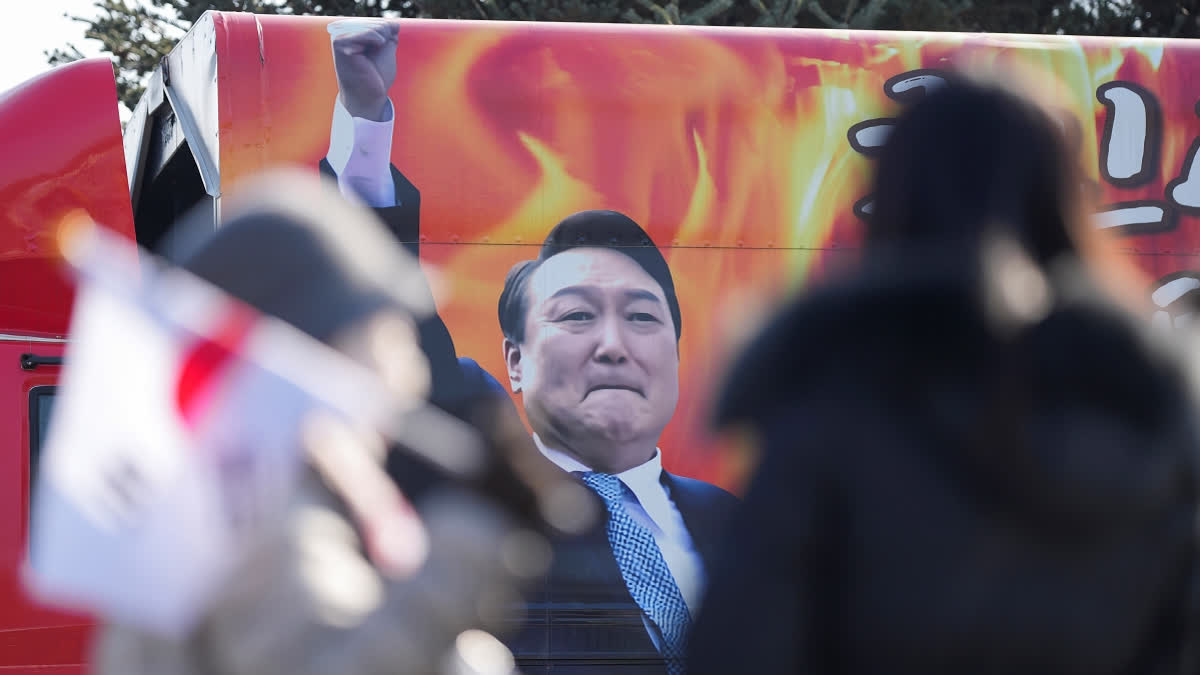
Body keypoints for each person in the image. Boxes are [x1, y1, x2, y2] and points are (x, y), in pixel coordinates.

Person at [686, 74, 1200, 674]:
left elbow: (743, 646)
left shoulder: (832, 406)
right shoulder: (1152, 415)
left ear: (895, 195)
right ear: (1064, 200)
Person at [90, 170, 586, 675]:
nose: (410, 375)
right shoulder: (275, 530)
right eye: (387, 337)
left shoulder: (219, 510)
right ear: (312, 355)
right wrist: (470, 537)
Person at [496, 210, 739, 674]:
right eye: (578, 315)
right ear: (516, 361)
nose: (613, 345)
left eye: (642, 316)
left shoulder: (738, 521)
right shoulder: (475, 516)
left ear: (676, 355)